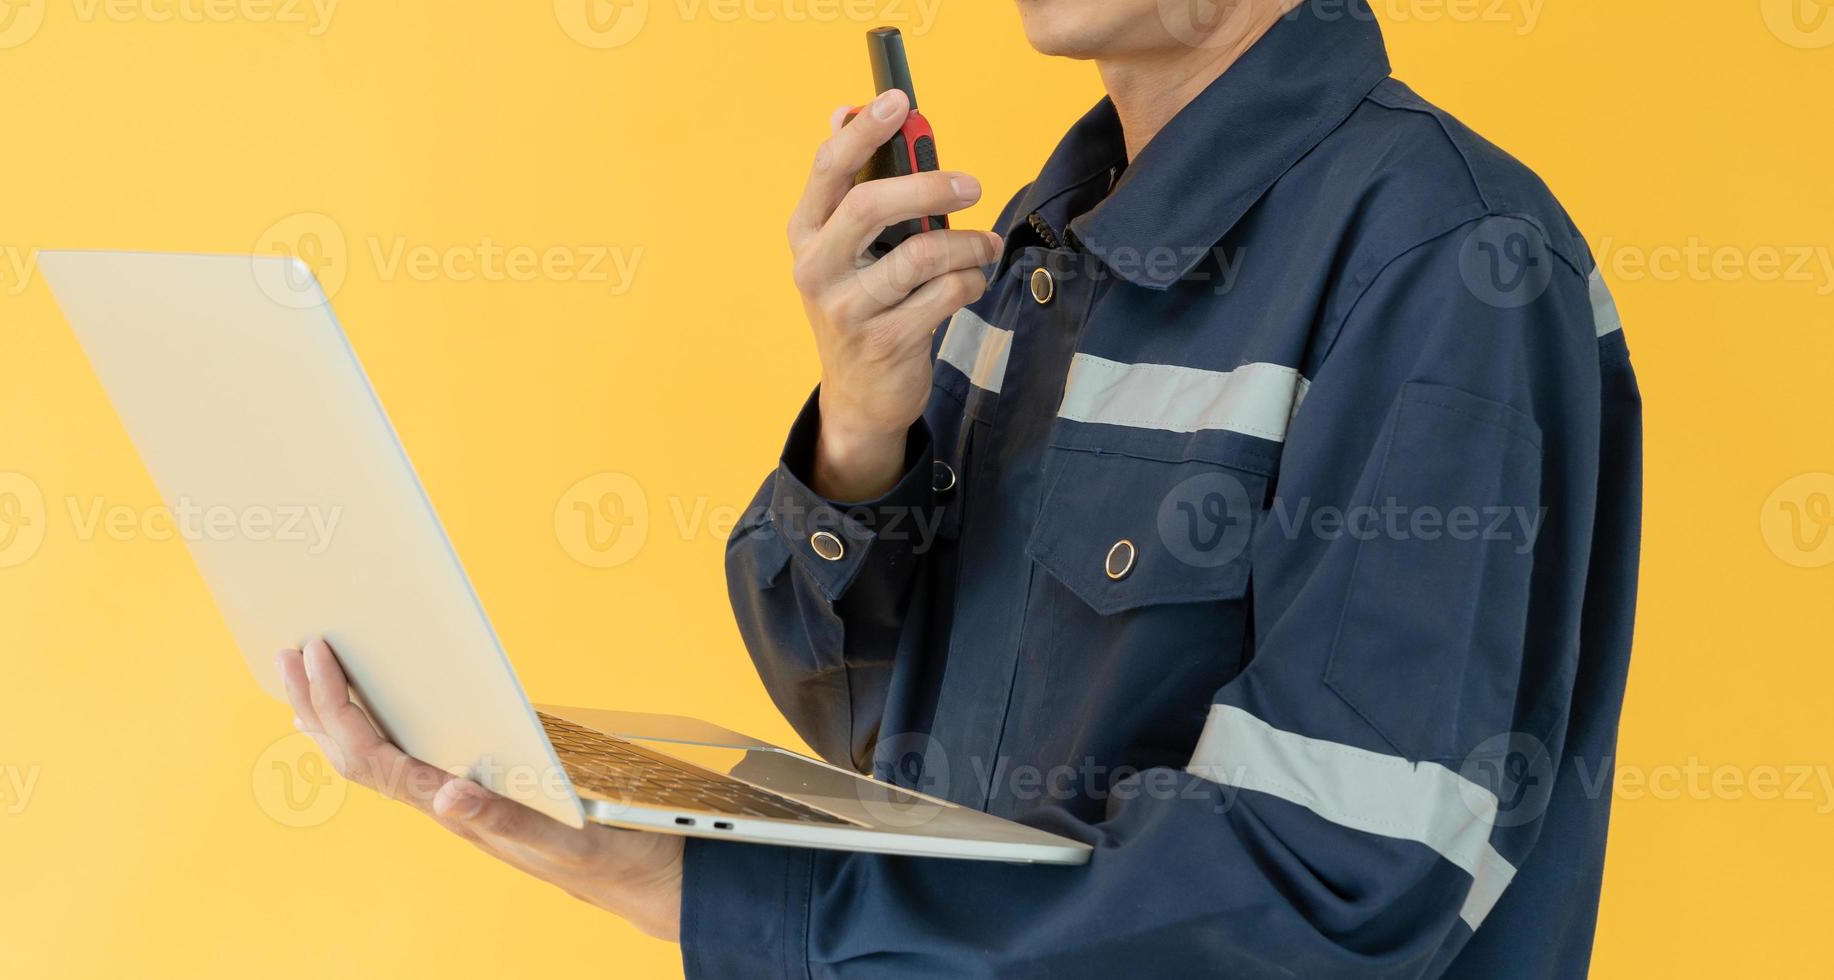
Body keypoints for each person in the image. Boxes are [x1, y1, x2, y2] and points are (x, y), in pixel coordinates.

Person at [277, 0, 1644, 975]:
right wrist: (861, 430)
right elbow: (883, 738)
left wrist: (721, 899)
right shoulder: (1049, 245)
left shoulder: (1444, 262)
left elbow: (1327, 890)